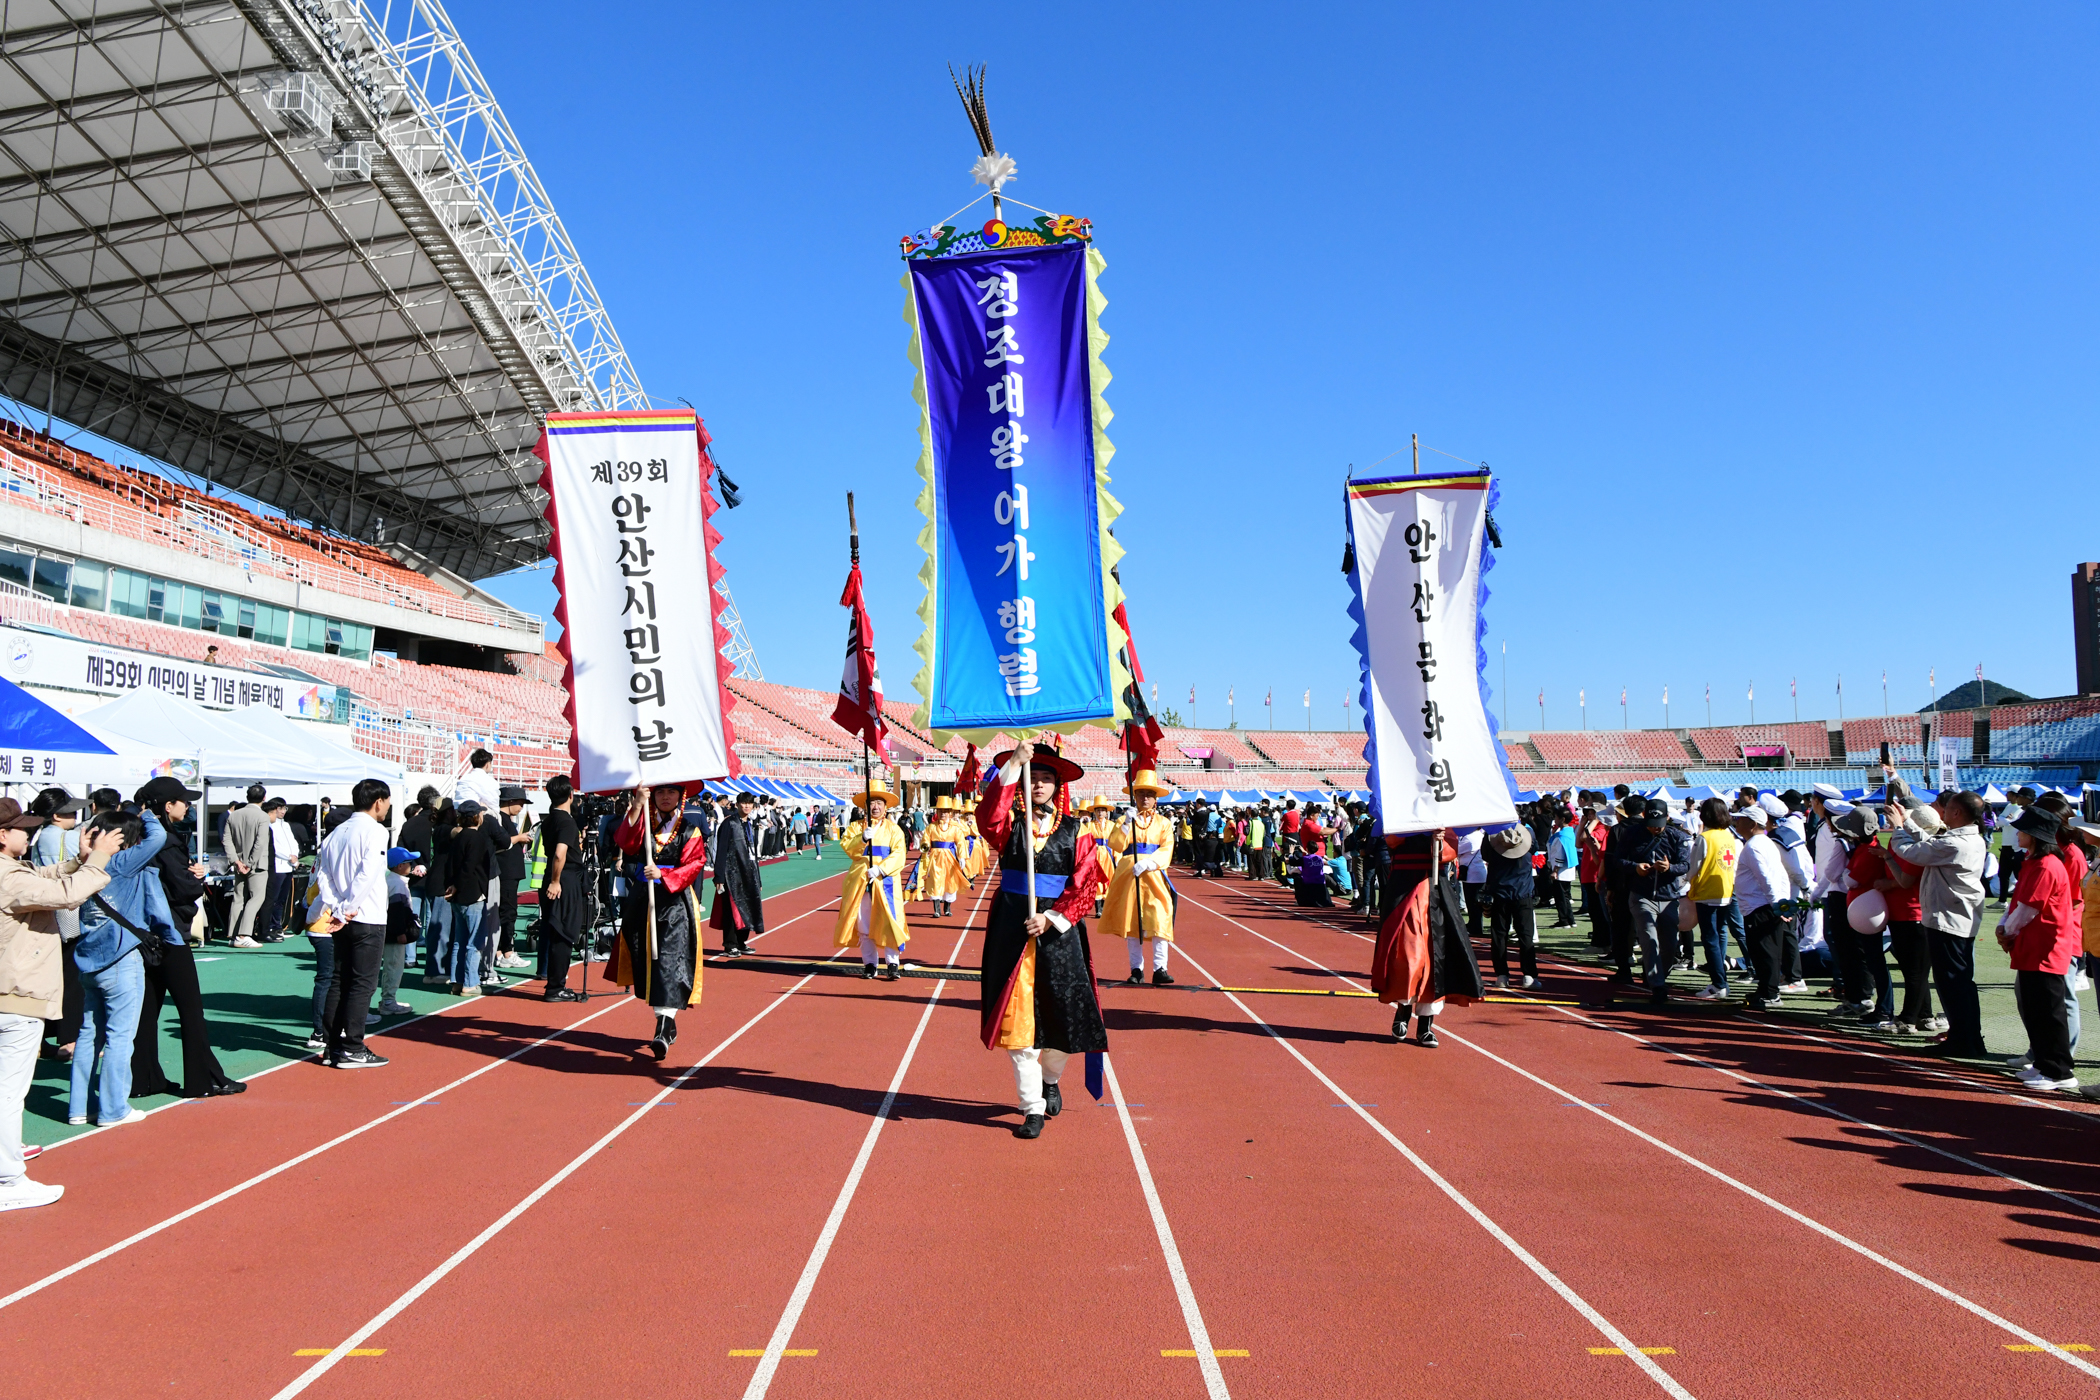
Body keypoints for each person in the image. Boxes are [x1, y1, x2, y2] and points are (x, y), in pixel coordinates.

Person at [974, 744, 1107, 1140]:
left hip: (1059, 936)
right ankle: (1031, 1107)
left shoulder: (1077, 830)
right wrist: (1015, 763)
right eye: (1032, 778)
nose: (1039, 785)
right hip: (1012, 932)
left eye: (1046, 779)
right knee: (1018, 1027)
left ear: (1057, 786)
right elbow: (986, 818)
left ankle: (1051, 1080)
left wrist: (1051, 918)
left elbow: (1086, 883)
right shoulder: (1008, 824)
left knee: (1061, 1018)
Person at [0, 797, 119, 1209]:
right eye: (22, 828)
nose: (29, 833)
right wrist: (98, 859)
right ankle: (8, 1180)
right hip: (16, 996)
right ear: (2, 835)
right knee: (8, 1094)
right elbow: (65, 895)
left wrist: (79, 861)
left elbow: (42, 878)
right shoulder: (8, 876)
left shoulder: (13, 871)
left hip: (10, 993)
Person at [131, 778, 242, 1097]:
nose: (188, 806)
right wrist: (196, 878)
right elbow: (183, 888)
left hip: (142, 933)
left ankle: (144, 1080)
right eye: (184, 801)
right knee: (191, 1010)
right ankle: (203, 1079)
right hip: (169, 933)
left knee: (146, 1011)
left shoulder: (138, 836)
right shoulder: (166, 841)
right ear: (168, 806)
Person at [66, 808, 173, 1127]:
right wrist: (148, 814)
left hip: (89, 961)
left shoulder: (86, 865)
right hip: (121, 959)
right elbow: (159, 837)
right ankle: (113, 1109)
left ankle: (79, 1107)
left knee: (89, 1034)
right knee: (120, 1036)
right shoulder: (123, 861)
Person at [1886, 788, 1989, 1057]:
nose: (1940, 812)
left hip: (1948, 920)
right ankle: (1968, 1038)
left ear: (1956, 812)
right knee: (1960, 983)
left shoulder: (1955, 843)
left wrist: (1898, 828)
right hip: (1955, 918)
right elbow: (1930, 844)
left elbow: (1912, 852)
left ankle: (1963, 1040)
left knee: (1953, 984)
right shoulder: (1968, 838)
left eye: (1946, 808)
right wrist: (1906, 822)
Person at [610, 785, 707, 1061]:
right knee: (647, 962)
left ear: (681, 796)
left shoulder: (690, 830)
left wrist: (664, 875)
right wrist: (637, 804)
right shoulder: (643, 823)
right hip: (643, 902)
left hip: (676, 905)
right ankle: (667, 1022)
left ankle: (662, 1029)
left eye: (671, 792)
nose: (665, 797)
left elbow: (695, 864)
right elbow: (626, 843)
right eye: (660, 792)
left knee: (670, 961)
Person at [1369, 829, 1484, 1046]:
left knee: (1436, 956)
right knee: (1406, 954)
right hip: (1403, 891)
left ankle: (1425, 1025)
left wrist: (1439, 841)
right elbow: (1391, 839)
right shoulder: (1401, 818)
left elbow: (1450, 852)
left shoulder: (1443, 822)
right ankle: (1403, 1009)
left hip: (1435, 890)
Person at [312, 778, 394, 1069]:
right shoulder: (375, 831)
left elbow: (323, 876)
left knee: (339, 980)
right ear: (378, 802)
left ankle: (333, 1045)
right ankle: (351, 1046)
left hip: (342, 916)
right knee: (362, 983)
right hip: (366, 915)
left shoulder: (336, 832)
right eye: (387, 801)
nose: (388, 807)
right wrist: (348, 907)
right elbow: (368, 872)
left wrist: (337, 906)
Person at [1997, 806, 2081, 1092]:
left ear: (2033, 835)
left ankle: (2059, 1070)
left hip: (2046, 947)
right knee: (2035, 1009)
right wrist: (2005, 928)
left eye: (2022, 830)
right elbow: (2018, 903)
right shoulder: (2034, 862)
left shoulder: (2046, 865)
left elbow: (2029, 908)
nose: (2017, 833)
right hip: (2032, 946)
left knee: (2049, 1011)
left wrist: (2007, 931)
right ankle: (2044, 1063)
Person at [1611, 798, 1690, 1005]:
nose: (1655, 829)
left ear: (1667, 818)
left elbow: (1685, 864)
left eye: (1659, 825)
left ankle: (1658, 974)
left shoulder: (1676, 836)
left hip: (1668, 896)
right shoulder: (1632, 834)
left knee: (1670, 943)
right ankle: (1658, 985)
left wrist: (1669, 868)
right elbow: (1617, 860)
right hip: (1641, 895)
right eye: (1651, 824)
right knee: (1648, 938)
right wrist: (1635, 867)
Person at [1103, 770, 1176, 986]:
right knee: (1132, 921)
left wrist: (1150, 862)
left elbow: (1167, 847)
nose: (1145, 798)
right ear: (1134, 796)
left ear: (1156, 798)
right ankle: (1136, 969)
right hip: (1129, 875)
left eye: (1149, 794)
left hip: (1154, 874)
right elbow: (1116, 845)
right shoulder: (1124, 820)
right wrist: (1126, 824)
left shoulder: (1163, 822)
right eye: (1141, 793)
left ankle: (1160, 968)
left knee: (1160, 918)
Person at [29, 789, 84, 1062]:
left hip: (43, 912)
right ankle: (69, 1039)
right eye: (70, 811)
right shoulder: (66, 837)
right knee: (71, 979)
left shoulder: (37, 836)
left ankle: (41, 1040)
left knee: (45, 978)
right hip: (67, 912)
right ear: (55, 815)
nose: (75, 815)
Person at [836, 783, 910, 979]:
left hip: (885, 881)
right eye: (871, 803)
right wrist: (861, 839)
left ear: (885, 807)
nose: (875, 807)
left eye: (879, 803)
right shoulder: (855, 827)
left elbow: (899, 854)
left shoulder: (894, 829)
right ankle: (870, 963)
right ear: (865, 806)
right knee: (864, 923)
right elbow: (848, 848)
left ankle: (893, 963)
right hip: (861, 881)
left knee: (890, 921)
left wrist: (881, 869)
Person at [1728, 805, 1794, 1010]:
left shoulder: (1754, 846)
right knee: (1765, 951)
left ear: (1752, 823)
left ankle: (1770, 993)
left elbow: (1765, 877)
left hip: (1760, 906)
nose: (1737, 822)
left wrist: (1778, 904)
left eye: (1741, 819)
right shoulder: (1764, 843)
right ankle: (1766, 990)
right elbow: (1779, 875)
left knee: (1764, 952)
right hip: (1764, 904)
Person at [535, 775, 585, 1002]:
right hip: (564, 879)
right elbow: (559, 854)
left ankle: (555, 984)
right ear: (570, 795)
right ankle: (556, 987)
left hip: (554, 876)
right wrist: (556, 882)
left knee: (556, 930)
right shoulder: (566, 821)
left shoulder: (548, 820)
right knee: (564, 933)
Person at [1687, 798, 1741, 1000]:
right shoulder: (1729, 836)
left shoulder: (1704, 838)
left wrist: (1684, 882)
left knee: (1710, 939)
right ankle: (1721, 981)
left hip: (1707, 892)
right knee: (1718, 935)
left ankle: (1719, 983)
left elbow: (1694, 867)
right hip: (1725, 890)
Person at [442, 801, 498, 997]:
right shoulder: (477, 838)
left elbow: (450, 864)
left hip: (457, 896)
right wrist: (457, 885)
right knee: (475, 941)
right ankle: (470, 983)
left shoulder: (458, 837)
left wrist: (451, 886)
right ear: (476, 817)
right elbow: (469, 865)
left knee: (460, 940)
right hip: (472, 894)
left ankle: (457, 981)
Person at [710, 791, 766, 957]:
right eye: (744, 803)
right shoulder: (729, 823)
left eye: (749, 803)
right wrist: (719, 876)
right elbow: (721, 850)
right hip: (731, 874)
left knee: (748, 908)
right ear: (737, 804)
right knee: (731, 910)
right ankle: (730, 945)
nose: (746, 806)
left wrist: (758, 879)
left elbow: (753, 853)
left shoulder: (750, 824)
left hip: (749, 873)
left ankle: (741, 942)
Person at [1483, 824, 1538, 990]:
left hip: (1500, 892)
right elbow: (1535, 847)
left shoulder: (1491, 836)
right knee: (1525, 935)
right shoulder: (1527, 833)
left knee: (1499, 936)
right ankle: (1529, 975)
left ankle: (1501, 975)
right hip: (1522, 892)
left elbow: (1485, 855)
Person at [372, 848, 421, 1019]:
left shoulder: (388, 879)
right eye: (408, 862)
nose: (411, 865)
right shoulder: (397, 883)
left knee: (387, 966)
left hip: (385, 931)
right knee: (394, 966)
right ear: (400, 866)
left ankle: (387, 1000)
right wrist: (400, 932)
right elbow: (397, 911)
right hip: (394, 934)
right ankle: (388, 1001)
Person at [224, 784, 272, 949]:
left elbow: (227, 840)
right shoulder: (263, 816)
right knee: (256, 898)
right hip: (256, 864)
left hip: (239, 863)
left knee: (238, 898)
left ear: (247, 796)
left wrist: (236, 861)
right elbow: (260, 842)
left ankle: (233, 934)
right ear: (264, 798)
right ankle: (244, 934)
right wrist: (250, 863)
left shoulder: (234, 815)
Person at [492, 786, 532, 971]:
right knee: (507, 912)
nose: (522, 807)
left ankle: (500, 951)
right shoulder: (499, 819)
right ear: (510, 802)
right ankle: (507, 952)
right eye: (520, 803)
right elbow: (501, 843)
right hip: (506, 873)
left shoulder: (504, 819)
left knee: (505, 912)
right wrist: (518, 838)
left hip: (509, 872)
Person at [912, 796, 968, 919]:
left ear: (950, 812)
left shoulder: (955, 828)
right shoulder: (931, 827)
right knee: (935, 881)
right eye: (940, 811)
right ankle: (937, 910)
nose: (943, 813)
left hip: (950, 858)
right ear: (937, 812)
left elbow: (960, 843)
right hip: (935, 858)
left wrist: (962, 857)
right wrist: (925, 848)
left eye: (945, 811)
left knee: (950, 881)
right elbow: (925, 840)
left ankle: (947, 908)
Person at [253, 800, 297, 943]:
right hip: (278, 866)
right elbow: (275, 847)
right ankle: (270, 927)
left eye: (285, 808)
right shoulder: (270, 825)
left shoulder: (286, 825)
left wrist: (295, 856)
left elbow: (293, 842)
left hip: (289, 866)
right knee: (273, 899)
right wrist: (289, 857)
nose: (283, 811)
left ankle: (278, 926)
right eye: (280, 808)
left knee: (282, 900)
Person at [1577, 803, 1612, 951]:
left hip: (1596, 874)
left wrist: (1595, 821)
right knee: (1594, 910)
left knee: (1599, 912)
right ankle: (1598, 941)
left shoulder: (1601, 829)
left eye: (1592, 813)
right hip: (1588, 873)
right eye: (1588, 813)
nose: (1590, 816)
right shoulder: (1590, 828)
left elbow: (1585, 837)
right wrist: (1582, 824)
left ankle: (1601, 942)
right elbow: (1578, 843)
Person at [452, 747, 500, 814]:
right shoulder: (489, 781)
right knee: (497, 815)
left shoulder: (464, 778)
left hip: (458, 811)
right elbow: (493, 803)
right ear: (487, 765)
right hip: (474, 812)